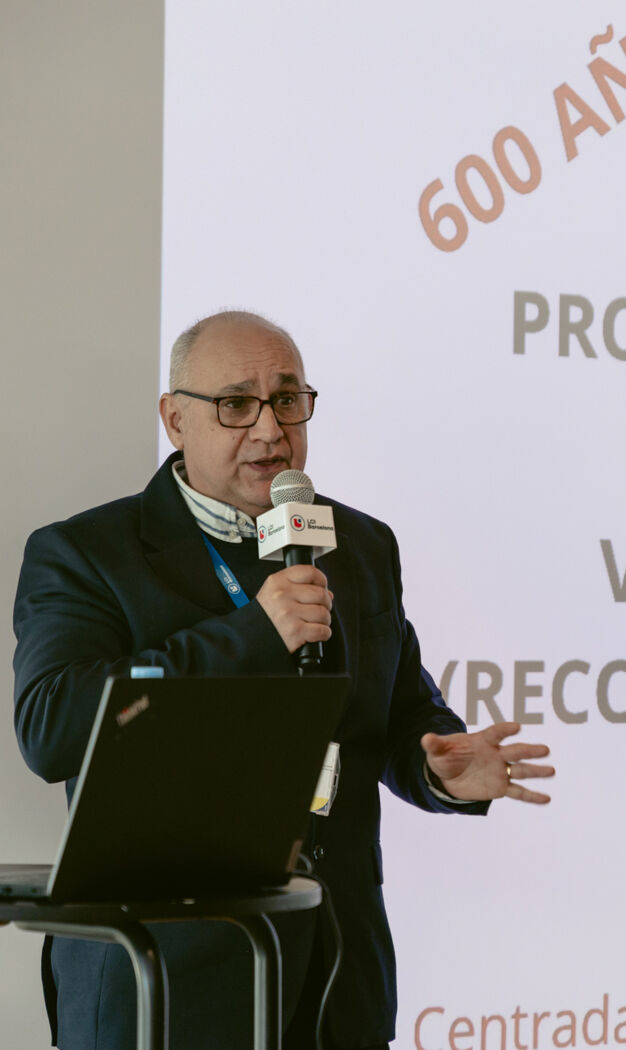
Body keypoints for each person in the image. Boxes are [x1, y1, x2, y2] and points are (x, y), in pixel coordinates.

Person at [11, 310, 553, 1050]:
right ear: (175, 419)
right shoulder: (88, 554)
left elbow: (394, 713)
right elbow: (53, 727)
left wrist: (439, 767)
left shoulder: (357, 544)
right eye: (236, 404)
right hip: (166, 984)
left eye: (288, 400)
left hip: (335, 976)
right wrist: (249, 636)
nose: (270, 428)